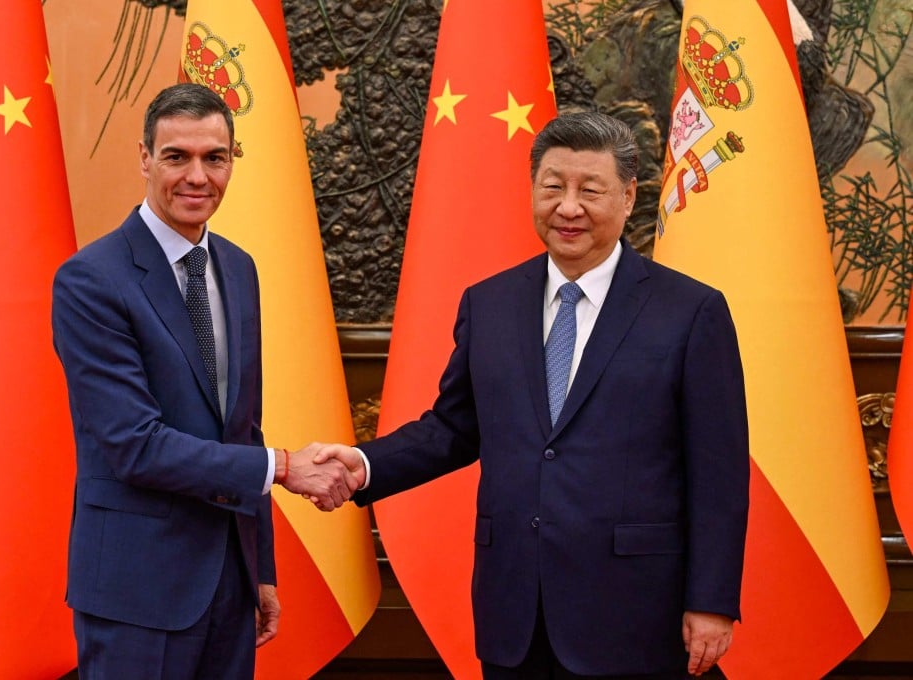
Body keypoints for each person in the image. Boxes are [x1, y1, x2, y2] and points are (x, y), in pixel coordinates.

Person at [315, 111, 750, 679]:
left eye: (590, 190)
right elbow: (453, 429)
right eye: (553, 187)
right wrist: (365, 464)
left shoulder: (691, 311)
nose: (568, 207)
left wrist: (712, 601)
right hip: (515, 610)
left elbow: (718, 471)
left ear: (628, 196)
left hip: (637, 612)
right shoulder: (489, 303)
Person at [51, 82, 358, 678]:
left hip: (228, 584)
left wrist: (259, 569)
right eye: (177, 156)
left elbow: (242, 427)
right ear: (144, 158)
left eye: (214, 158)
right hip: (136, 591)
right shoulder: (91, 280)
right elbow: (135, 446)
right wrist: (287, 468)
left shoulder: (238, 268)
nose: (198, 176)